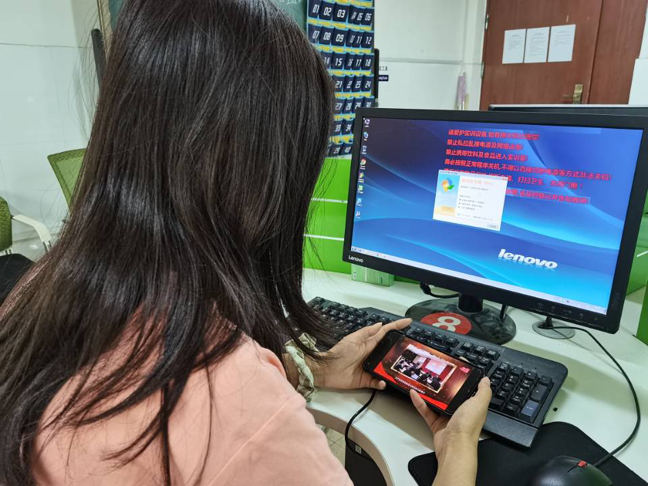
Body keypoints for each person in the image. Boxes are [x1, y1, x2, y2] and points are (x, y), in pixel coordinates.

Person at [0, 1, 491, 485]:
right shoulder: (235, 404)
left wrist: (311, 369)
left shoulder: (39, 293)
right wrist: (458, 451)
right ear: (266, 175)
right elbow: (229, 414)